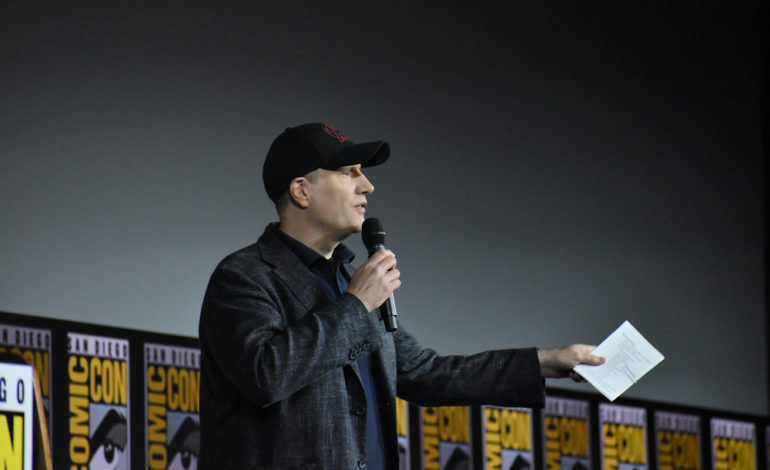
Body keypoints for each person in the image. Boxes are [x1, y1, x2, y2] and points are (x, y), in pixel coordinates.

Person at [198, 122, 605, 469]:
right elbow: (266, 374)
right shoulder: (245, 276)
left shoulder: (348, 280)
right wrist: (357, 304)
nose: (368, 186)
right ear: (302, 191)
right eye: (350, 172)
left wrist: (545, 362)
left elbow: (426, 373)